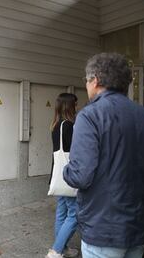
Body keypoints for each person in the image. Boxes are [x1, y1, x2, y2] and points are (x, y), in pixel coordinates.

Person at [63, 53, 144, 258]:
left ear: (95, 80)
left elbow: (80, 175)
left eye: (86, 81)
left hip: (102, 231)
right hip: (138, 229)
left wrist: (66, 170)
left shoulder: (89, 116)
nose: (87, 86)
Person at [46, 93, 79, 258]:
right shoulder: (70, 126)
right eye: (76, 104)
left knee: (62, 212)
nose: (77, 107)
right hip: (69, 176)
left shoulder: (55, 125)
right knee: (74, 214)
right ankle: (56, 250)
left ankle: (63, 247)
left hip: (58, 176)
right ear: (70, 106)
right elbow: (75, 153)